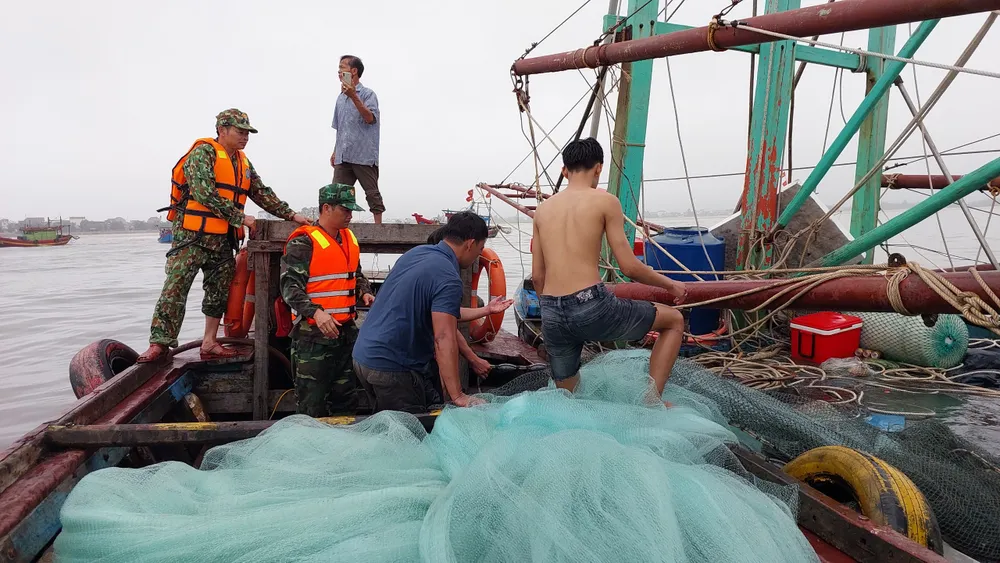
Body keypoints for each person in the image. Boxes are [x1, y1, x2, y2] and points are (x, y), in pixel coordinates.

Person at [137, 109, 311, 363]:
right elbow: (204, 193)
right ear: (222, 130)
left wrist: (292, 215)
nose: (245, 137)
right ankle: (159, 343)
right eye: (240, 132)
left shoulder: (243, 163)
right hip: (191, 237)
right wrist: (242, 218)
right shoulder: (202, 153)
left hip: (221, 240)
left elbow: (262, 193)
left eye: (247, 133)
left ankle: (210, 341)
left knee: (218, 292)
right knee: (175, 287)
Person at [531, 137, 687, 403]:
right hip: (591, 307)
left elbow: (538, 277)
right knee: (673, 321)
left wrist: (552, 311)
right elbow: (629, 267)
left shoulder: (542, 210)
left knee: (568, 400)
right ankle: (652, 400)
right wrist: (671, 285)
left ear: (564, 170)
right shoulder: (605, 201)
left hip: (551, 312)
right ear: (599, 168)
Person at [352, 212, 512, 413]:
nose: (476, 257)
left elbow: (443, 312)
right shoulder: (447, 276)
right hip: (393, 367)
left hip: (363, 357)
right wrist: (458, 395)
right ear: (470, 244)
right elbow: (443, 337)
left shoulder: (417, 254)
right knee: (410, 435)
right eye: (480, 249)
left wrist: (486, 310)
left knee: (389, 426)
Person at [279, 184, 376, 416]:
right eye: (345, 210)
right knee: (312, 406)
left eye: (352, 210)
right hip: (313, 339)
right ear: (326, 208)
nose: (350, 215)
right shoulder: (303, 243)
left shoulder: (348, 238)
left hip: (344, 335)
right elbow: (289, 288)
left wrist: (364, 291)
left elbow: (355, 274)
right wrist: (316, 312)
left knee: (346, 402)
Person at [330, 55, 385, 224]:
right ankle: (337, 226)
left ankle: (378, 227)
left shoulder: (368, 94)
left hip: (363, 153)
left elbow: (370, 118)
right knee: (337, 194)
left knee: (371, 192)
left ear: (354, 71)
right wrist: (335, 151)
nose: (339, 72)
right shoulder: (340, 98)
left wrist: (354, 96)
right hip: (343, 154)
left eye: (343, 67)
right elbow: (340, 128)